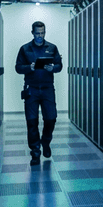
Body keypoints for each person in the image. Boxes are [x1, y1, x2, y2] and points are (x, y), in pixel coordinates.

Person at [15, 21, 63, 165]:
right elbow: (18, 67)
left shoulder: (52, 48)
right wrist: (29, 67)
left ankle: (46, 141)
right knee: (32, 121)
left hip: (47, 88)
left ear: (45, 32)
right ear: (32, 33)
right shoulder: (25, 49)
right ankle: (35, 152)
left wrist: (52, 68)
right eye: (37, 33)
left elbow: (59, 65)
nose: (40, 36)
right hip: (32, 89)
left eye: (42, 33)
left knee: (51, 118)